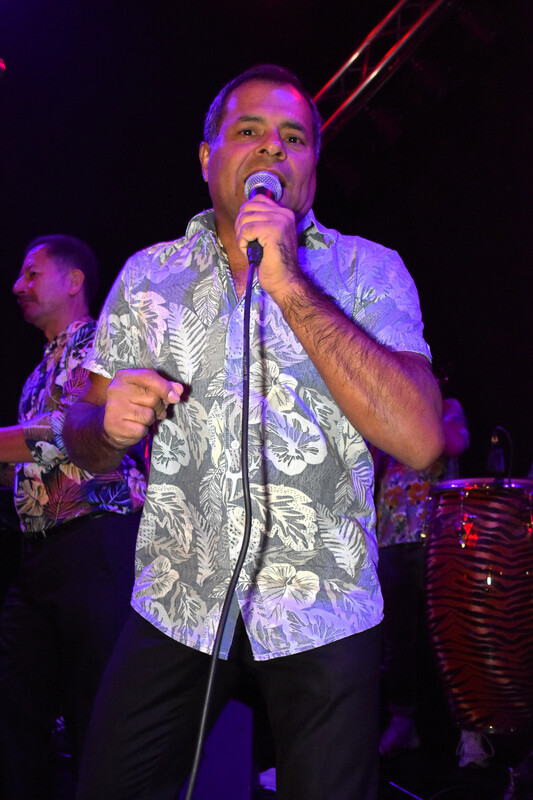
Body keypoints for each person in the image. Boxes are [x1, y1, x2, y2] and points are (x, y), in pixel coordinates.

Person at [63, 64, 444, 800]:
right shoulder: (148, 276)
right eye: (249, 131)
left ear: (312, 166)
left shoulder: (368, 270)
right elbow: (81, 432)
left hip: (324, 604)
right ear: (207, 158)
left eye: (293, 138)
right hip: (179, 598)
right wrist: (104, 429)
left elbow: (422, 439)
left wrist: (290, 282)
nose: (272, 147)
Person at [0, 235, 148, 800]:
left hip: (98, 542)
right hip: (43, 553)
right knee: (17, 707)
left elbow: (62, 433)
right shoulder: (37, 373)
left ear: (74, 281)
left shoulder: (100, 345)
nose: (18, 286)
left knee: (98, 711)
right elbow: (30, 468)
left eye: (31, 273)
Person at [373, 394, 470, 758]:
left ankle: (469, 731)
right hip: (391, 538)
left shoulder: (446, 407)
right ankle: (403, 723)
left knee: (451, 635)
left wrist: (415, 411)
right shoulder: (382, 410)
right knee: (397, 640)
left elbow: (456, 443)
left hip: (438, 538)